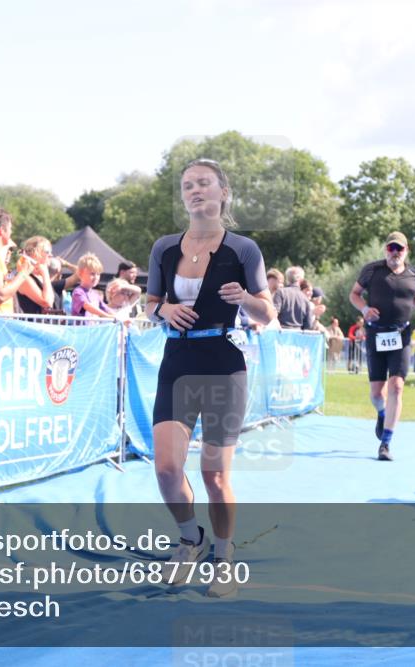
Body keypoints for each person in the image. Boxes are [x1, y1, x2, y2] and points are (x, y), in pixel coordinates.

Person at [145, 158, 275, 598]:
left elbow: (268, 312)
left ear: (223, 193)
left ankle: (223, 556)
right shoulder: (165, 247)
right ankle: (190, 539)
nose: (195, 191)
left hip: (223, 361)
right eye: (187, 186)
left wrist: (245, 299)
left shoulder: (243, 250)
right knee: (165, 468)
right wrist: (163, 310)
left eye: (204, 184)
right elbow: (150, 304)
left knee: (214, 475)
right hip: (177, 360)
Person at [349, 231, 415, 461]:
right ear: (385, 250)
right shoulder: (372, 270)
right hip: (376, 335)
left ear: (406, 250)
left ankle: (386, 443)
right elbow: (354, 294)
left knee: (397, 386)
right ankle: (382, 413)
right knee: (376, 393)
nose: (395, 253)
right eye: (391, 248)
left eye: (399, 248)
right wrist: (364, 310)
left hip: (401, 336)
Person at [71, 253, 120, 320]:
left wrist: (118, 317)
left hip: (93, 329)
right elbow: (87, 306)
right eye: (92, 274)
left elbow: (106, 308)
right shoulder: (78, 292)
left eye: (98, 274)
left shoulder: (95, 295)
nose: (96, 277)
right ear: (80, 273)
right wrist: (106, 316)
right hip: (80, 329)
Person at [16, 236, 56, 316]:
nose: (51, 255)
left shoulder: (41, 278)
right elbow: (47, 303)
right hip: (32, 327)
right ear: (35, 254)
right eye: (47, 252)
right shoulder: (24, 278)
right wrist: (45, 274)